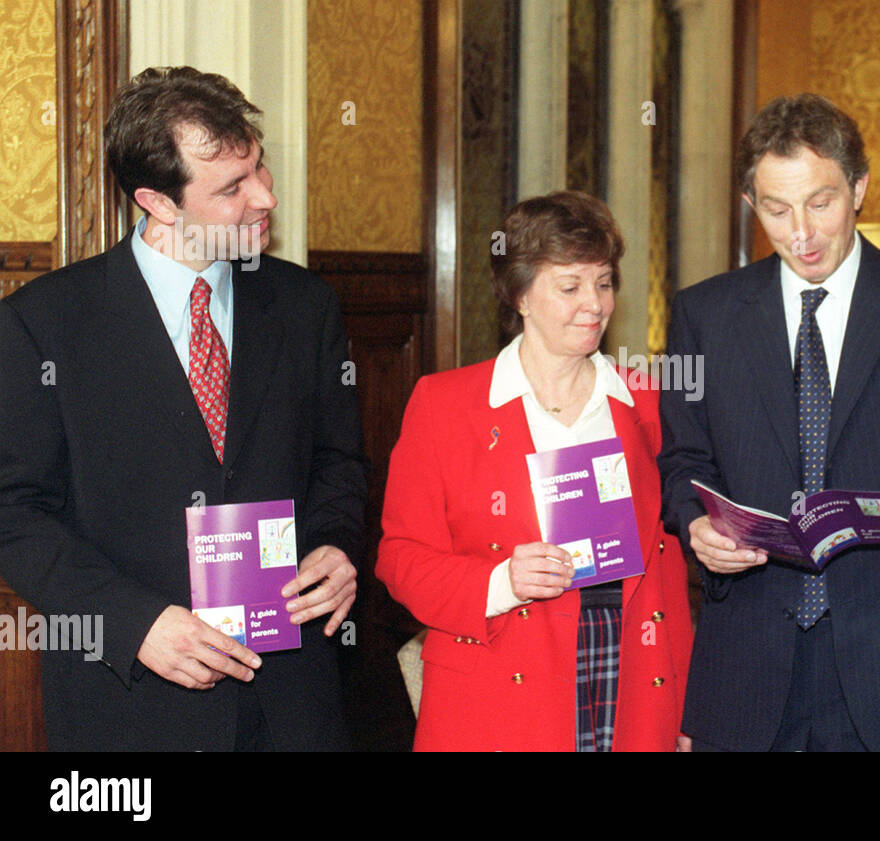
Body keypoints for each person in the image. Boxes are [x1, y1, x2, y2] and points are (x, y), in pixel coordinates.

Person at [0, 67, 367, 750]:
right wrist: (131, 622)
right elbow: (14, 513)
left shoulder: (305, 306)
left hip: (293, 707)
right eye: (233, 187)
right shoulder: (42, 325)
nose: (266, 196)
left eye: (259, 167)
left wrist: (335, 545)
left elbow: (337, 462)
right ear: (158, 203)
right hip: (131, 712)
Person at [658, 93, 880, 751]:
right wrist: (696, 523)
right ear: (750, 205)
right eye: (776, 208)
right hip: (747, 668)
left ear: (859, 187)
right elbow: (684, 460)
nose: (801, 231)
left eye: (821, 202)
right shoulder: (703, 316)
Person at [376, 191, 692, 751]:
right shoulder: (445, 405)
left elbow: (671, 571)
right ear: (519, 294)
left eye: (603, 282)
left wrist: (687, 710)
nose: (593, 304)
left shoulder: (646, 402)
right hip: (497, 690)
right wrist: (502, 581)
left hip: (629, 678)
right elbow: (400, 559)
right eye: (569, 286)